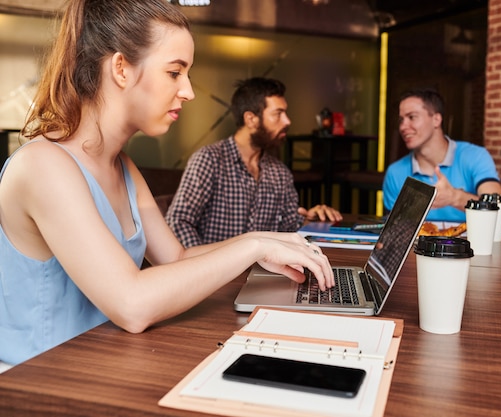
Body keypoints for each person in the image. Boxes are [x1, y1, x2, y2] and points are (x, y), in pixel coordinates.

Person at [0, 0, 333, 367]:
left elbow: (176, 258)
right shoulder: (44, 165)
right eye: (175, 72)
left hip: (101, 366)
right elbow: (132, 304)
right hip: (37, 382)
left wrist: (270, 243)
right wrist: (254, 245)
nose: (188, 91)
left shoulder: (122, 166)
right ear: (121, 69)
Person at [165, 77, 342, 247]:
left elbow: (289, 228)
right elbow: (178, 222)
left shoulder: (279, 172)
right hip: (216, 275)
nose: (287, 121)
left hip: (264, 273)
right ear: (251, 119)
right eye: (278, 114)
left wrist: (310, 219)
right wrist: (205, 264)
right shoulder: (209, 161)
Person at [383, 88, 501, 222]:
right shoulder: (395, 172)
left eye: (412, 117)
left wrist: (455, 197)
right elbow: (394, 232)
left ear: (436, 119)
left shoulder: (475, 156)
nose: (403, 127)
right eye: (401, 120)